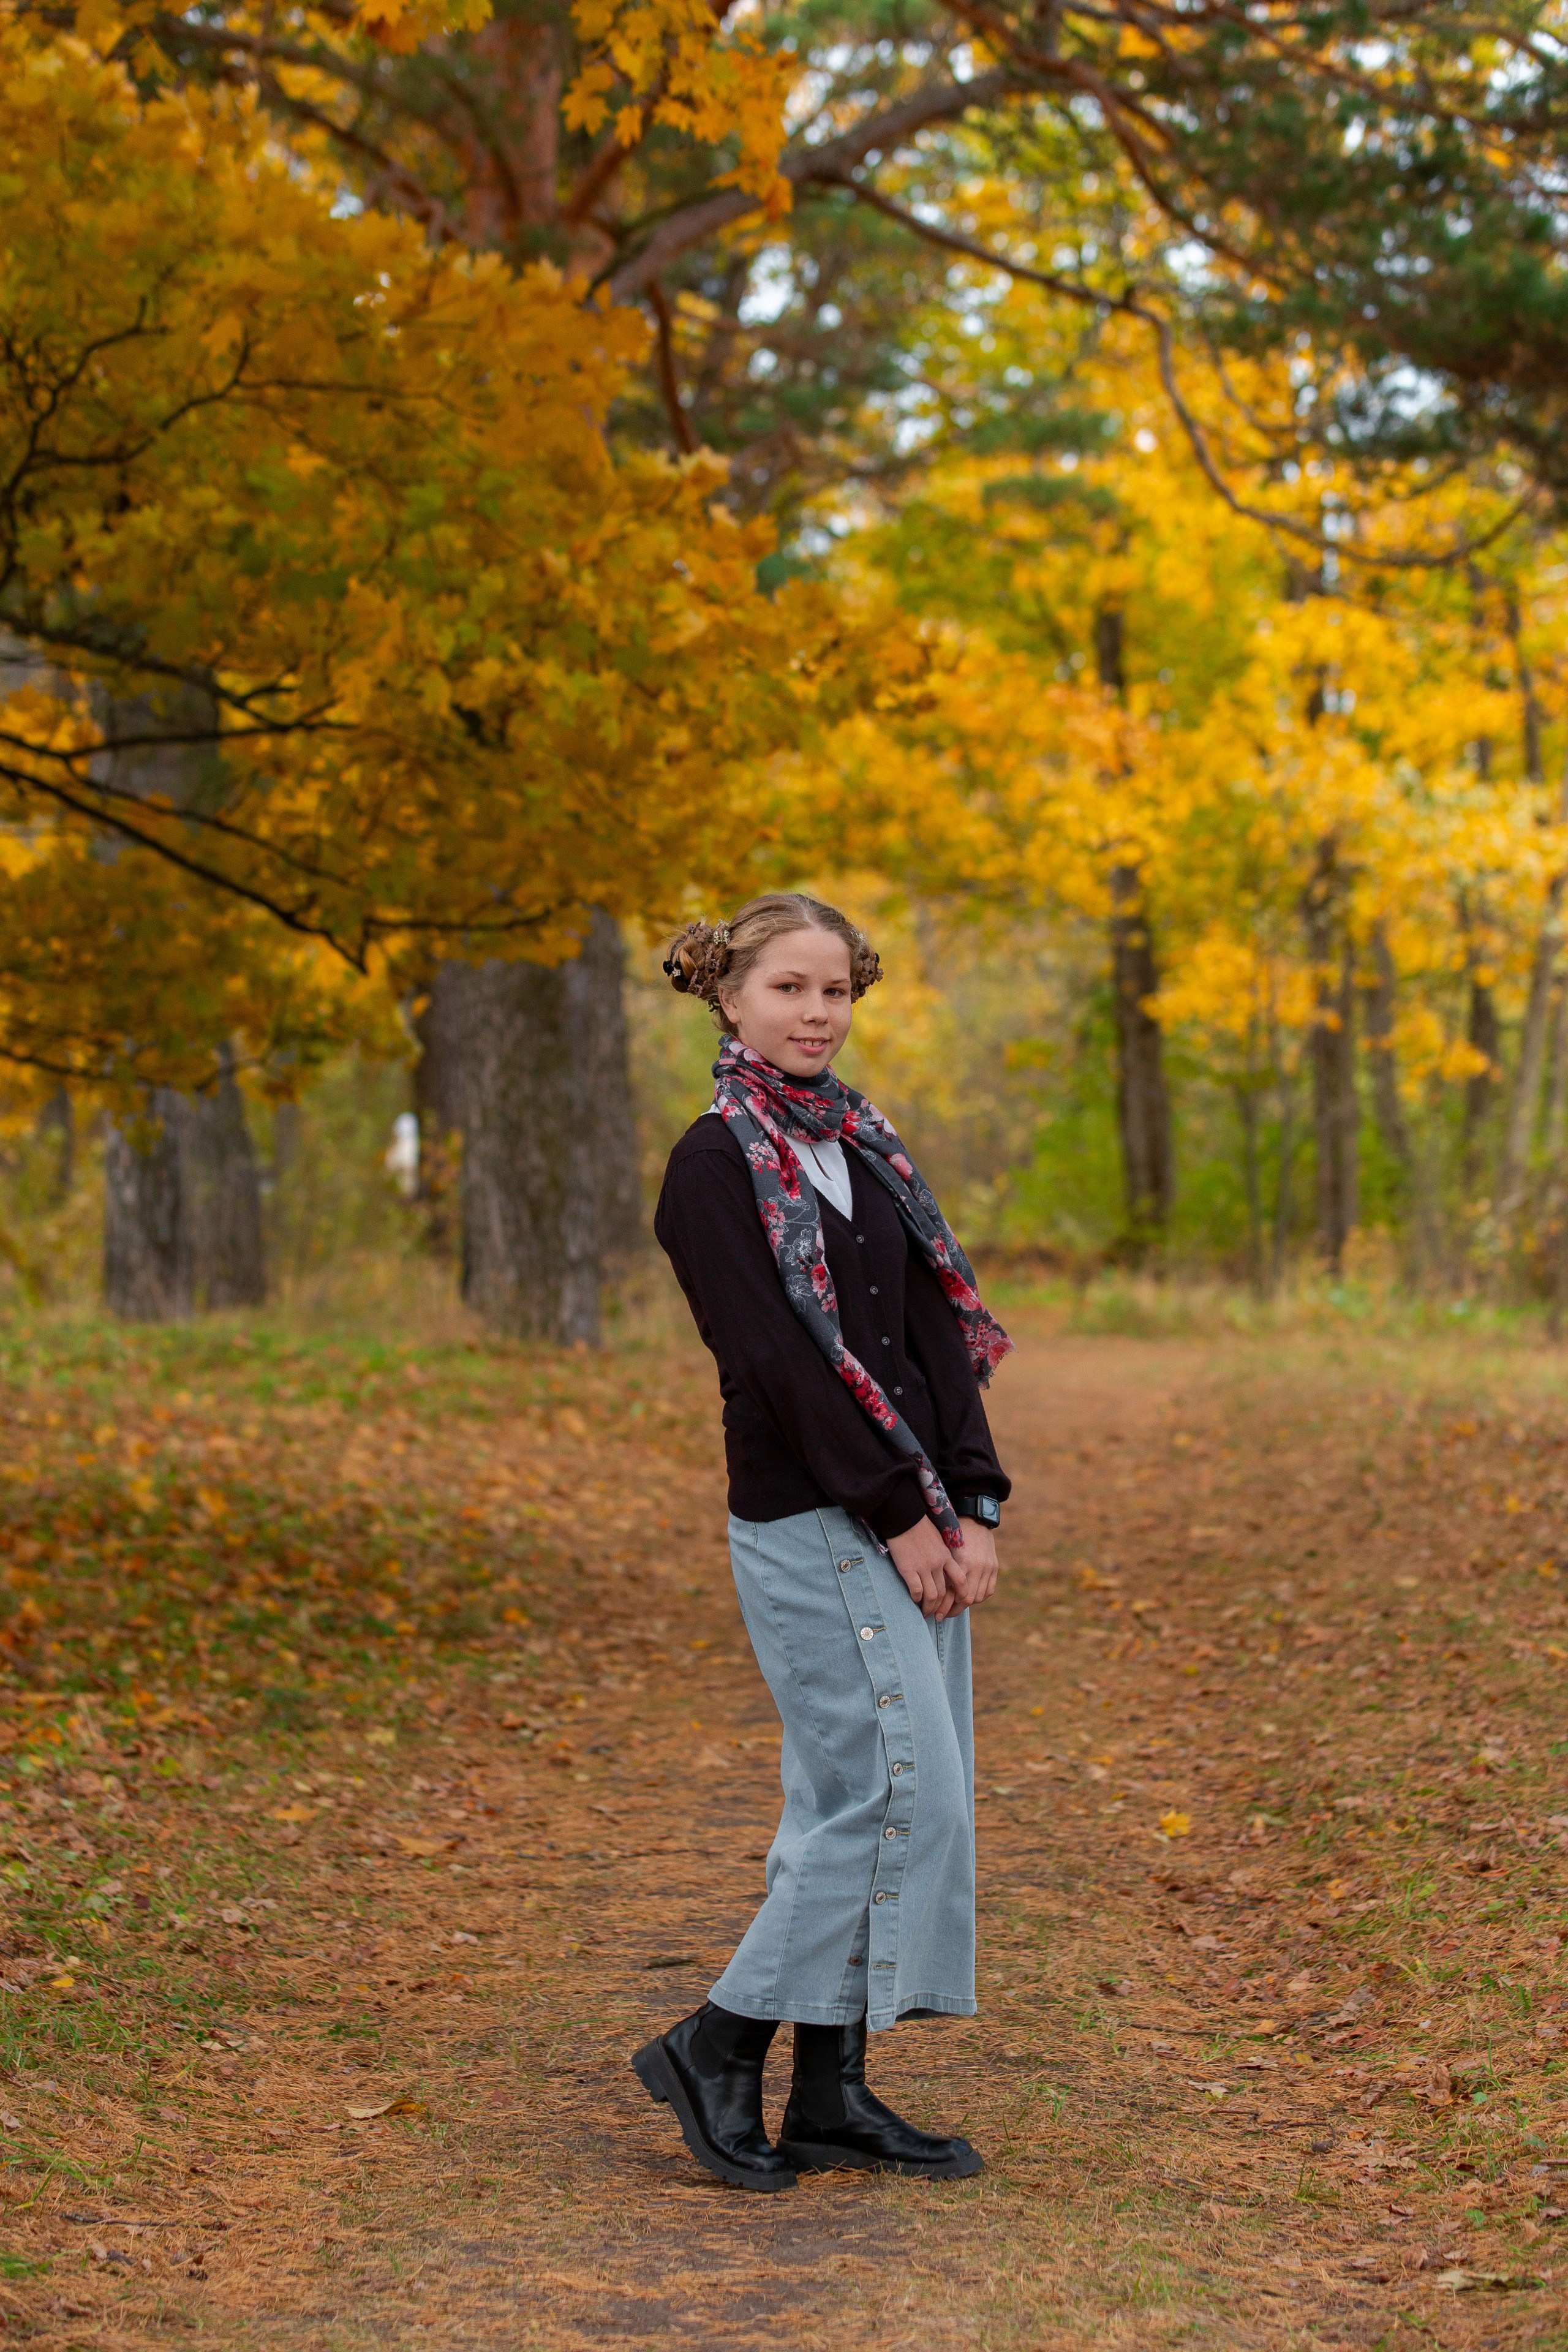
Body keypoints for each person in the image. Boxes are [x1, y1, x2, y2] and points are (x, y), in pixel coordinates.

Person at [633, 891, 1012, 2192]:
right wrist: (903, 1516)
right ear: (728, 998)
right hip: (810, 1519)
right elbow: (778, 1365)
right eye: (788, 988)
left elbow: (928, 1340)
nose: (814, 1013)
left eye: (835, 990)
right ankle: (717, 2042)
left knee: (849, 1798)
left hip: (910, 1507)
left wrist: (970, 1500)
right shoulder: (710, 1161)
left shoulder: (862, 1141)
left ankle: (831, 2090)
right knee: (893, 1794)